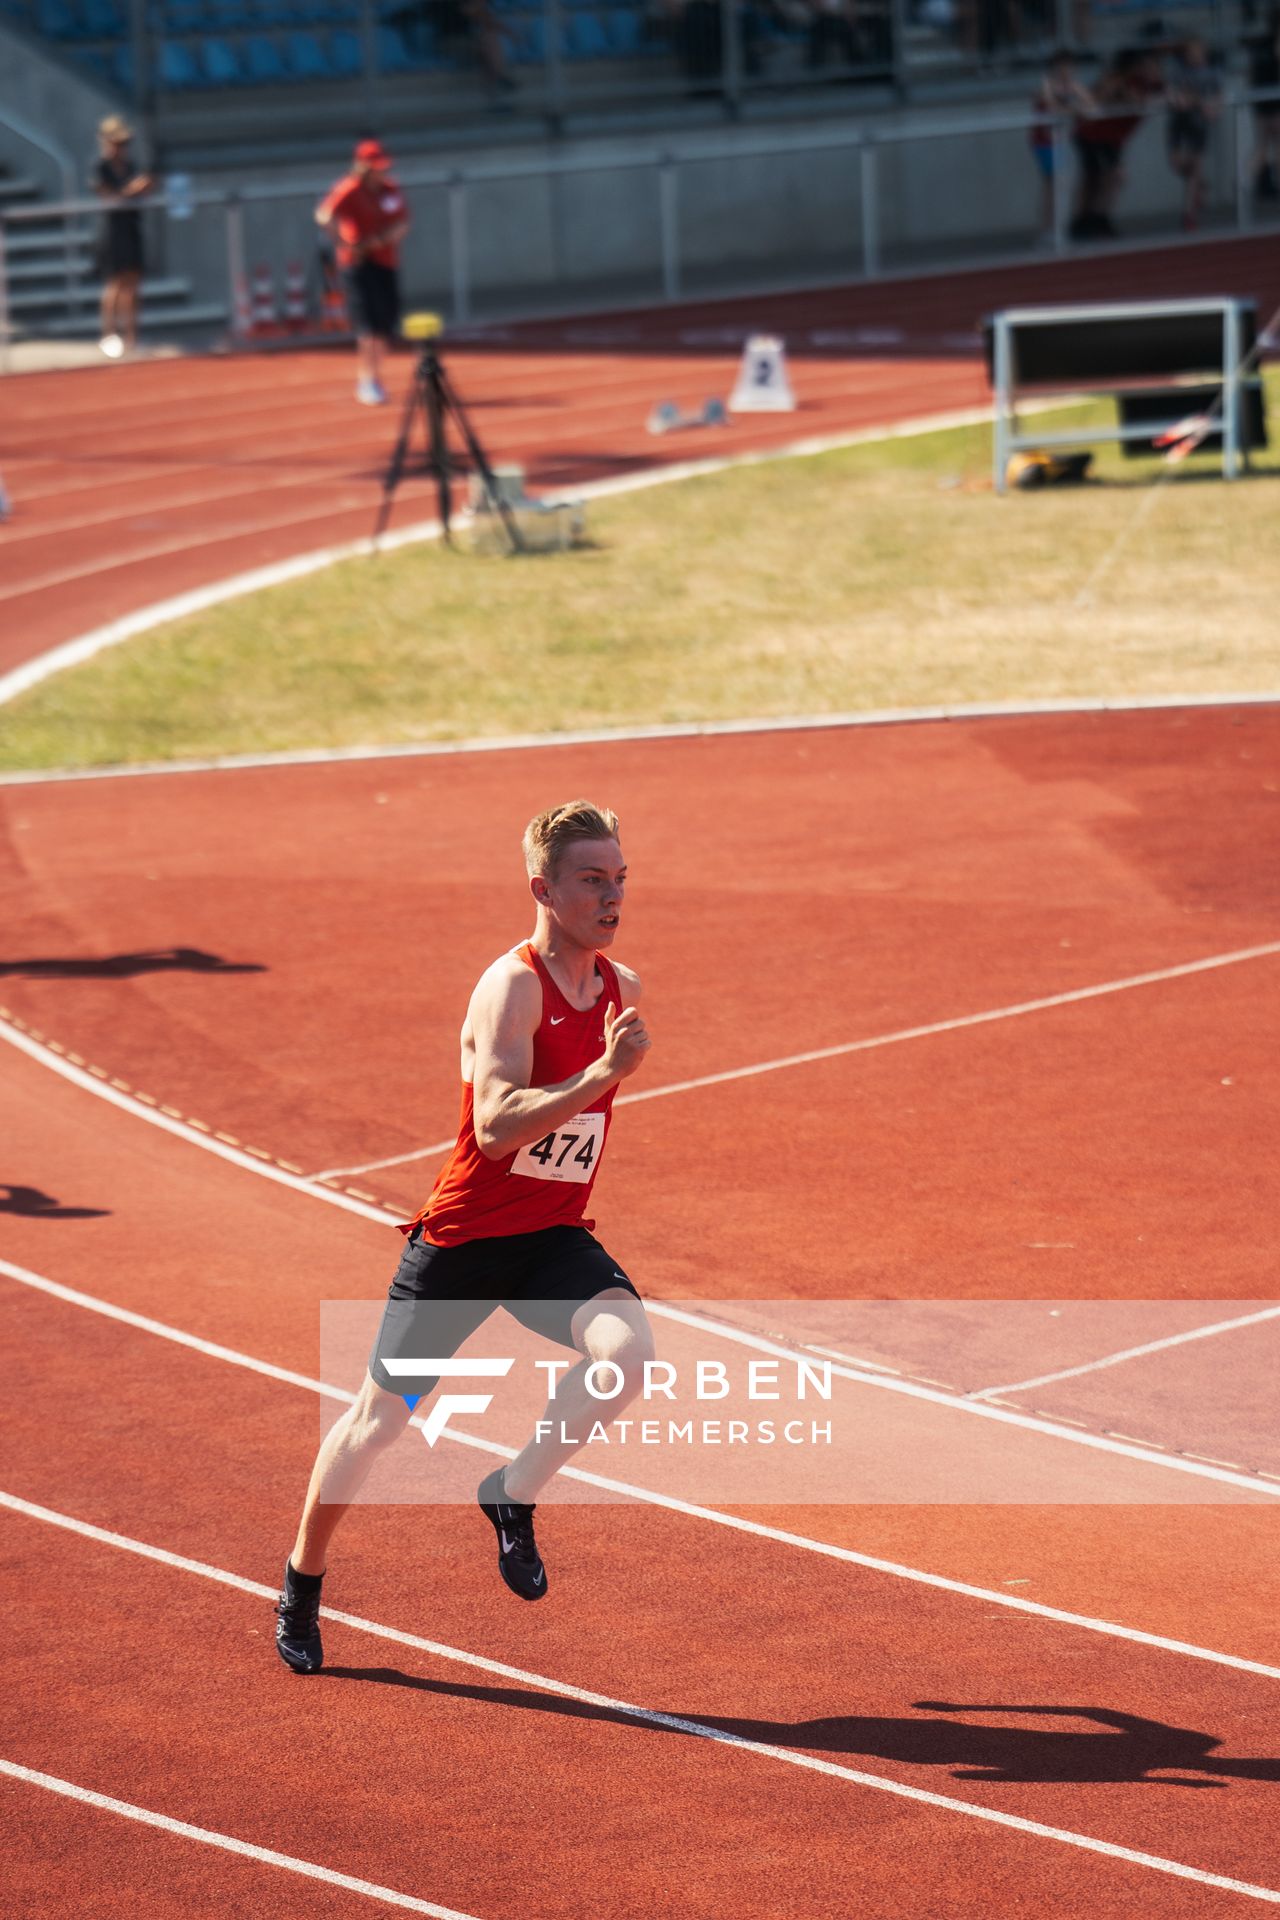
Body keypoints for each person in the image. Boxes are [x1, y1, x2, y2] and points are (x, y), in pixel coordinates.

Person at [275, 800, 654, 1673]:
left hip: (551, 1237)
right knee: (378, 1424)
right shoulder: (513, 986)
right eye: (592, 880)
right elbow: (493, 1128)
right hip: (464, 1243)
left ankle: (510, 1494)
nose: (611, 896)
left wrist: (604, 1065)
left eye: (620, 879)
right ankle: (303, 1578)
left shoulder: (622, 989)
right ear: (544, 888)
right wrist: (602, 1073)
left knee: (626, 1355)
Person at [314, 140, 411, 406]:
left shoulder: (390, 190)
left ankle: (375, 374)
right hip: (357, 263)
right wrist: (343, 244)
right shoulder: (350, 189)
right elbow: (324, 215)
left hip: (385, 261)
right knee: (367, 322)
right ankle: (368, 378)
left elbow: (402, 224)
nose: (381, 173)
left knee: (386, 321)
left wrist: (376, 242)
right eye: (375, 168)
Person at [1071, 44, 1164, 240]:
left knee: (1108, 177)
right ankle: (1086, 220)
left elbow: (1150, 99)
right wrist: (1117, 90)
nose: (1151, 69)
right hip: (1094, 135)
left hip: (1112, 138)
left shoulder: (1152, 85)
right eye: (1146, 65)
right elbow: (1097, 98)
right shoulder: (1117, 80)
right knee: (1100, 177)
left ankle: (1096, 217)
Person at [91, 115, 153, 360]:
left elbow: (143, 189)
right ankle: (109, 335)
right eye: (117, 143)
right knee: (114, 284)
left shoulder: (131, 166)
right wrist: (132, 190)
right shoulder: (101, 167)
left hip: (131, 228)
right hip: (112, 230)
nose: (122, 148)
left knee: (133, 283)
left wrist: (140, 188)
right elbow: (108, 194)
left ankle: (131, 336)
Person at [1029, 48, 1094, 242]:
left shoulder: (1072, 86)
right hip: (1045, 142)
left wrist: (1078, 106)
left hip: (1061, 141)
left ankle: (1056, 228)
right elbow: (1052, 107)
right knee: (1054, 184)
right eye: (1062, 67)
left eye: (1070, 67)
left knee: (1060, 185)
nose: (1066, 71)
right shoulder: (1047, 85)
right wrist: (1075, 108)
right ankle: (1049, 230)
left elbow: (1092, 106)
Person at [1165, 36, 1221, 229]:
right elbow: (1175, 98)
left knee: (1195, 165)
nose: (1194, 55)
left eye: (1197, 51)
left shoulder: (1211, 73)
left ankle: (1188, 213)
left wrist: (1209, 107)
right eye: (1190, 51)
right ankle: (1200, 183)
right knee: (1177, 164)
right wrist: (1194, 101)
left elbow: (1216, 99)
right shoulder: (1177, 72)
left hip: (1198, 125)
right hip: (1179, 124)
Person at [1245, 8, 1280, 201]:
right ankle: (1245, 182)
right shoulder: (1274, 42)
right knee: (1275, 148)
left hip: (1262, 103)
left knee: (1262, 148)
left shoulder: (1260, 44)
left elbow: (1252, 75)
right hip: (1273, 102)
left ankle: (1244, 181)